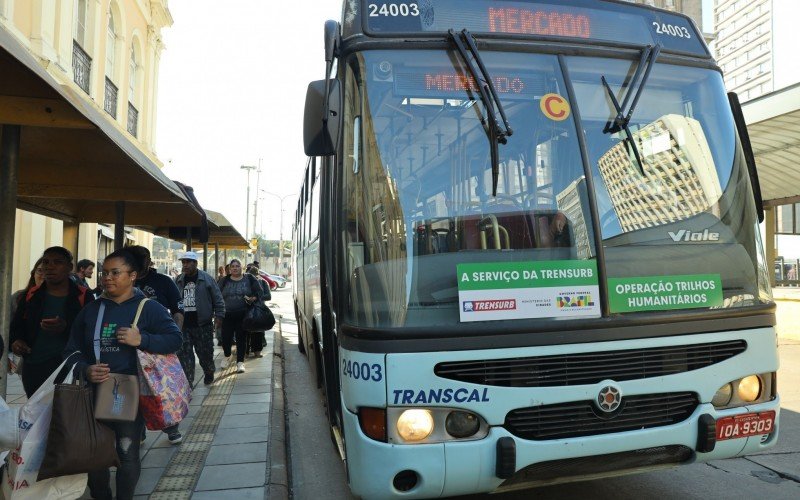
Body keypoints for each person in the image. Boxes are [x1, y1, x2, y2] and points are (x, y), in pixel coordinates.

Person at [64, 249, 182, 500]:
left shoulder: (150, 308)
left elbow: (175, 339)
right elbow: (71, 350)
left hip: (129, 391)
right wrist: (85, 368)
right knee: (95, 454)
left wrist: (143, 339)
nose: (108, 278)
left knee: (126, 452)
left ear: (133, 276)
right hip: (92, 391)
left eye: (115, 272)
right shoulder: (91, 310)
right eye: (105, 272)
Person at [9, 247, 94, 397]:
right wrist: (17, 341)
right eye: (46, 262)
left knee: (63, 415)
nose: (50, 266)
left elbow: (90, 331)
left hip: (68, 367)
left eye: (57, 262)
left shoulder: (83, 295)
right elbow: (17, 327)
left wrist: (65, 327)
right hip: (34, 366)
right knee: (35, 413)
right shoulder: (31, 294)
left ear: (70, 267)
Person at [127, 245, 187, 445]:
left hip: (157, 349)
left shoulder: (162, 281)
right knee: (136, 392)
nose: (142, 262)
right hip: (128, 348)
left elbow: (178, 309)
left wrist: (174, 334)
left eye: (144, 258)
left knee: (162, 389)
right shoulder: (123, 281)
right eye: (136, 258)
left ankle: (171, 428)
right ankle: (139, 430)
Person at [174, 251, 224, 384]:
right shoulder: (178, 280)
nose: (185, 265)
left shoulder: (206, 279)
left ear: (195, 263)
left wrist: (219, 317)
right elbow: (173, 300)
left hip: (203, 325)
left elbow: (218, 299)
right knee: (184, 356)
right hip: (183, 326)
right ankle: (188, 383)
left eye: (188, 262)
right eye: (183, 262)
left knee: (205, 354)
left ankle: (209, 371)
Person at [218, 259, 265, 372]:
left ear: (242, 267)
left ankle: (240, 362)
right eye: (232, 266)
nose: (235, 268)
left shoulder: (249, 278)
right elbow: (216, 295)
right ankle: (227, 355)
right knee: (225, 339)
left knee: (241, 339)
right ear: (230, 268)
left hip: (244, 314)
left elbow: (259, 292)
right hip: (227, 315)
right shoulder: (224, 280)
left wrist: (252, 298)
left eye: (237, 266)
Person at [245, 266, 271, 357]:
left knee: (257, 331)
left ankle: (255, 351)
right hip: (247, 309)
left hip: (258, 309)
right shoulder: (245, 282)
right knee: (247, 331)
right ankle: (248, 351)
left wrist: (256, 298)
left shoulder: (263, 282)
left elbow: (268, 296)